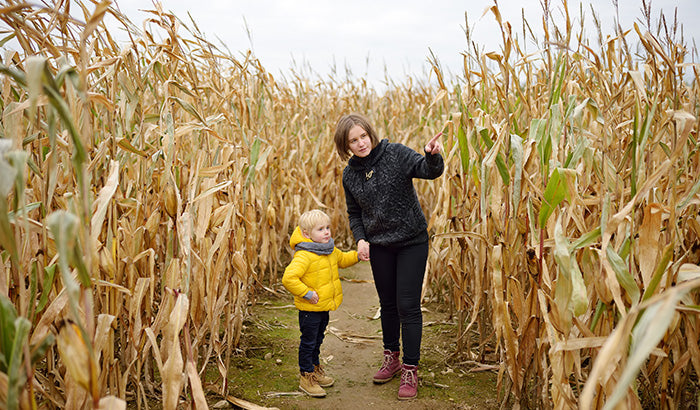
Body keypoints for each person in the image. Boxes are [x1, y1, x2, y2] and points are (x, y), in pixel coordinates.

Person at [333, 113, 444, 400]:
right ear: (345, 146)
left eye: (363, 136)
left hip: (411, 241)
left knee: (407, 305)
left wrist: (431, 155)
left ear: (370, 133)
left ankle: (410, 368)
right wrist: (360, 239)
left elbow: (428, 170)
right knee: (388, 304)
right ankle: (392, 357)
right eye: (353, 141)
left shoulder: (394, 153)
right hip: (380, 245)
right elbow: (354, 213)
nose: (360, 143)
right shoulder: (350, 175)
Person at [282, 209, 360, 398]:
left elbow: (343, 259)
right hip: (310, 309)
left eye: (327, 228)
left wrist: (359, 255)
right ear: (307, 234)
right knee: (308, 342)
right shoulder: (304, 255)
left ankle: (315, 370)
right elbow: (289, 278)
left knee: (317, 341)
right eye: (320, 229)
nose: (327, 232)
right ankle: (306, 377)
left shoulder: (329, 250)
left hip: (323, 307)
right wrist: (306, 293)